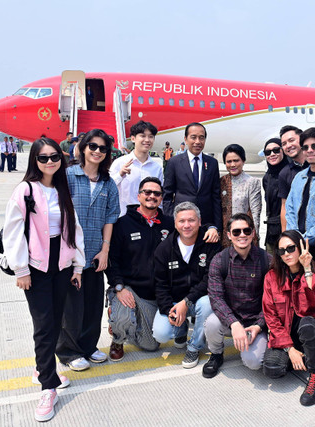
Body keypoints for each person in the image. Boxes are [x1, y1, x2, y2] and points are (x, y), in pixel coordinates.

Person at [2, 137, 84, 422]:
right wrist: (21, 269)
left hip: (61, 264)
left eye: (54, 157)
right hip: (35, 265)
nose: (50, 162)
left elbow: (73, 229)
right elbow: (12, 232)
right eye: (43, 158)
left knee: (56, 319)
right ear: (34, 160)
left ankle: (42, 366)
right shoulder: (25, 190)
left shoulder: (62, 190)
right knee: (44, 325)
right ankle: (48, 385)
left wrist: (77, 265)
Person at [56, 129, 120, 371]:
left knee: (93, 304)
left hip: (95, 254)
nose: (97, 151)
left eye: (103, 149)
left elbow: (110, 218)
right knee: (72, 306)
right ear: (83, 148)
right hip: (71, 255)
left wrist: (105, 250)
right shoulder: (68, 176)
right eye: (92, 146)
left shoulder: (108, 183)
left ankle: (88, 346)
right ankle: (69, 351)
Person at [105, 177, 174, 361]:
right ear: (139, 195)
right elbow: (112, 260)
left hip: (155, 294)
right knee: (123, 315)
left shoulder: (169, 224)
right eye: (147, 192)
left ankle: (130, 321)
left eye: (156, 194)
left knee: (151, 345)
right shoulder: (122, 224)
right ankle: (118, 336)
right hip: (129, 289)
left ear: (161, 198)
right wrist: (119, 287)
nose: (152, 196)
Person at [262, 230, 315, 406]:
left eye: (291, 248)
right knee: (272, 369)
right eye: (281, 250)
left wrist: (307, 269)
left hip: (310, 332)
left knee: (307, 324)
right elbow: (270, 316)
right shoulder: (271, 277)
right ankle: (304, 357)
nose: (286, 254)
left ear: (300, 247)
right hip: (287, 338)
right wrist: (289, 349)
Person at [152, 202, 221, 368]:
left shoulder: (210, 243)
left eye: (191, 220)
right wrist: (168, 309)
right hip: (175, 301)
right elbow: (160, 285)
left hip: (198, 299)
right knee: (160, 334)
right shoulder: (164, 249)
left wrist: (186, 302)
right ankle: (181, 329)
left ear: (199, 221)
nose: (187, 225)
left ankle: (194, 346)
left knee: (207, 303)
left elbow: (210, 279)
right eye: (182, 221)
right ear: (175, 223)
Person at [203, 213, 270, 378]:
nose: (242, 235)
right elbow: (216, 298)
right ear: (228, 235)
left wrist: (259, 325)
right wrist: (234, 323)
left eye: (246, 231)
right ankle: (216, 354)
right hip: (231, 319)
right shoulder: (219, 260)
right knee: (211, 322)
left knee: (254, 363)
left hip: (255, 322)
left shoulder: (267, 260)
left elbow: (272, 300)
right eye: (236, 232)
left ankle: (254, 343)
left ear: (253, 233)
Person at [163, 122, 221, 243]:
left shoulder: (212, 163)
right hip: (182, 224)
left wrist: (216, 226)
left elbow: (216, 196)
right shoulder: (174, 162)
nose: (198, 141)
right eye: (193, 137)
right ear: (185, 139)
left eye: (202, 137)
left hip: (206, 225)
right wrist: (171, 220)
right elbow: (167, 195)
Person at [285, 127, 315, 261]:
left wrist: (304, 238)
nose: (309, 150)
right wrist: (294, 236)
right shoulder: (299, 177)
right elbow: (290, 209)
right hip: (298, 246)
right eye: (305, 147)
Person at [110, 121, 164, 217]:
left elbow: (159, 195)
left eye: (151, 136)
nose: (147, 140)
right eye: (142, 136)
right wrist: (120, 175)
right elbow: (108, 187)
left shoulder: (156, 167)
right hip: (124, 217)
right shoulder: (120, 163)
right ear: (133, 138)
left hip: (149, 219)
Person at [220, 144, 262, 248]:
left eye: (236, 160)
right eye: (229, 161)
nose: (232, 164)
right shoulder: (221, 182)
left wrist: (253, 237)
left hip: (244, 236)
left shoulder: (252, 182)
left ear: (243, 161)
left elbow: (255, 213)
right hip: (225, 238)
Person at [261, 138, 288, 254]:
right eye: (268, 152)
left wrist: (286, 233)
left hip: (288, 230)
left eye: (276, 150)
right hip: (272, 232)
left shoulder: (291, 173)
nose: (272, 154)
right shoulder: (267, 178)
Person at [277, 125, 307, 231]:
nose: (288, 146)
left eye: (291, 140)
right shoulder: (284, 174)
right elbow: (284, 206)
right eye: (284, 144)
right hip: (299, 231)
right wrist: (285, 235)